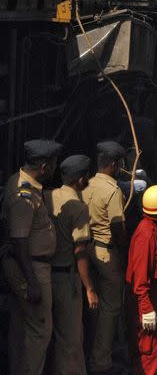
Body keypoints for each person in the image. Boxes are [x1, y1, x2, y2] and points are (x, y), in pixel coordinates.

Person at [3, 139, 61, 375]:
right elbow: (19, 240)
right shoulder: (24, 195)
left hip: (27, 265)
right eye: (54, 164)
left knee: (21, 329)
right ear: (44, 167)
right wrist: (32, 281)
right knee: (40, 330)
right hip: (32, 267)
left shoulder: (23, 184)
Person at [44, 154, 99, 375]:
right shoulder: (78, 207)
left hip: (45, 274)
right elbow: (80, 251)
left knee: (49, 336)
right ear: (81, 180)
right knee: (71, 340)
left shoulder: (47, 196)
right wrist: (89, 288)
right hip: (66, 279)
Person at [82, 141, 127, 373]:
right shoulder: (113, 190)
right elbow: (117, 227)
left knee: (93, 306)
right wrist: (125, 251)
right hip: (106, 252)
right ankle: (101, 361)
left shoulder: (85, 184)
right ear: (115, 164)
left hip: (86, 250)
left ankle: (92, 351)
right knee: (110, 308)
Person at [126, 185, 157, 375]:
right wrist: (146, 309)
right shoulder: (147, 235)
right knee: (148, 347)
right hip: (146, 298)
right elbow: (140, 276)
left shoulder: (152, 228)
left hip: (153, 297)